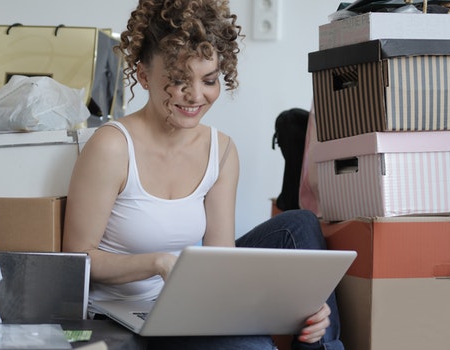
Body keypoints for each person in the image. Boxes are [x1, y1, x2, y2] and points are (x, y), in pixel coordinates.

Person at [63, 0, 344, 349]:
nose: (196, 96)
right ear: (144, 75)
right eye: (179, 80)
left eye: (209, 80)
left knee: (299, 226)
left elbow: (220, 263)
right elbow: (78, 256)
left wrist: (295, 305)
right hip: (124, 316)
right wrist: (158, 263)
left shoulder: (221, 150)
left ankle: (318, 339)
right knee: (251, 346)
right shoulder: (112, 147)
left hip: (188, 306)